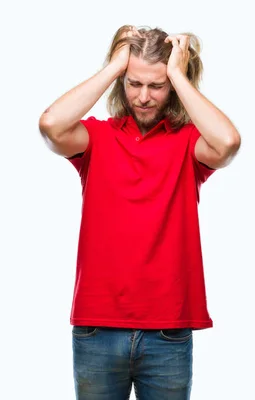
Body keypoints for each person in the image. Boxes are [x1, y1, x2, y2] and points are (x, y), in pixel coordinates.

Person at [38, 25, 241, 400]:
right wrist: (114, 66)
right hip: (97, 328)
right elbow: (51, 124)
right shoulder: (97, 137)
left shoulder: (189, 144)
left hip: (167, 331)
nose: (143, 97)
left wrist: (178, 74)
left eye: (157, 85)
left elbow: (228, 143)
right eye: (134, 83)